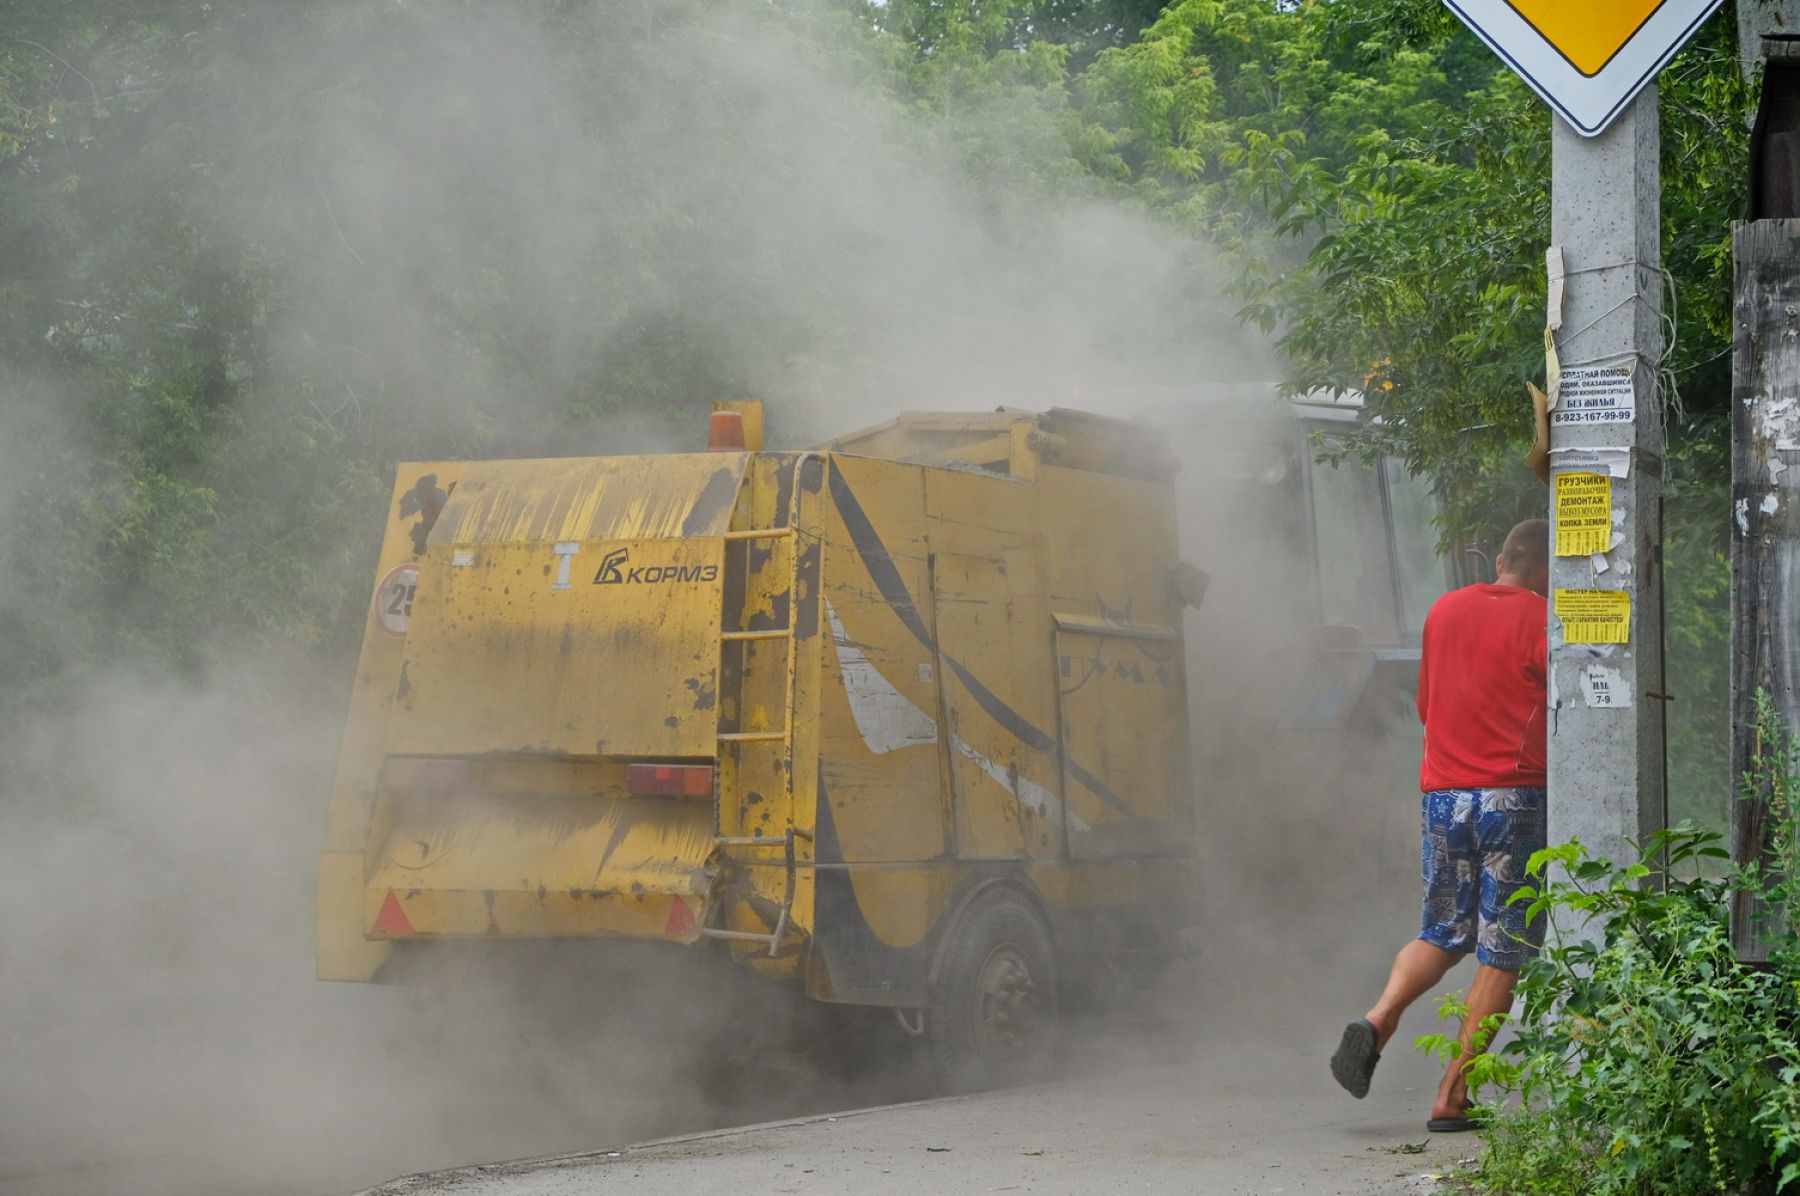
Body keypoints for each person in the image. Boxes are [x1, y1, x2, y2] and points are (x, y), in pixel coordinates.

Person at [1329, 517, 1550, 1132]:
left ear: (1501, 558)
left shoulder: (1444, 610)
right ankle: (1453, 1096)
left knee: (1442, 931)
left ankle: (1378, 1019)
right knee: (1504, 947)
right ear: (1544, 568)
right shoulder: (1542, 618)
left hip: (1442, 797)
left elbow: (1427, 706)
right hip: (1513, 798)